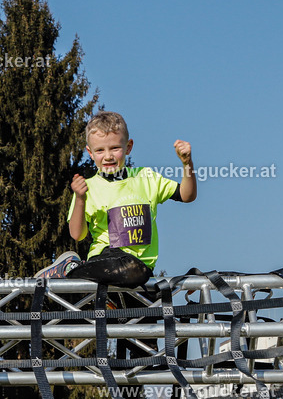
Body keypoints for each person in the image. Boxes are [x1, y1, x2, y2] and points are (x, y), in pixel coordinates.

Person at [37, 111, 196, 287]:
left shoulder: (146, 177)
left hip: (141, 268)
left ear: (128, 147)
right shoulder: (88, 187)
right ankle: (70, 268)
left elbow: (187, 195)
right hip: (107, 258)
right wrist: (80, 199)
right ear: (90, 152)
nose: (108, 156)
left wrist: (187, 163)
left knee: (142, 304)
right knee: (132, 271)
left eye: (115, 148)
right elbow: (77, 234)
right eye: (100, 150)